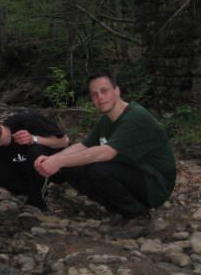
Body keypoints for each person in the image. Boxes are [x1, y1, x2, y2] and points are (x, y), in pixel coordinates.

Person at [34, 71, 176, 240]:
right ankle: (120, 210)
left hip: (155, 183)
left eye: (104, 91)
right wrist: (54, 159)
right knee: (70, 168)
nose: (99, 97)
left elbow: (106, 153)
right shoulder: (106, 120)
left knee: (97, 168)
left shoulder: (135, 116)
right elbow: (83, 146)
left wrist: (58, 161)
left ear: (117, 91)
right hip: (133, 173)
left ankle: (139, 216)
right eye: (94, 94)